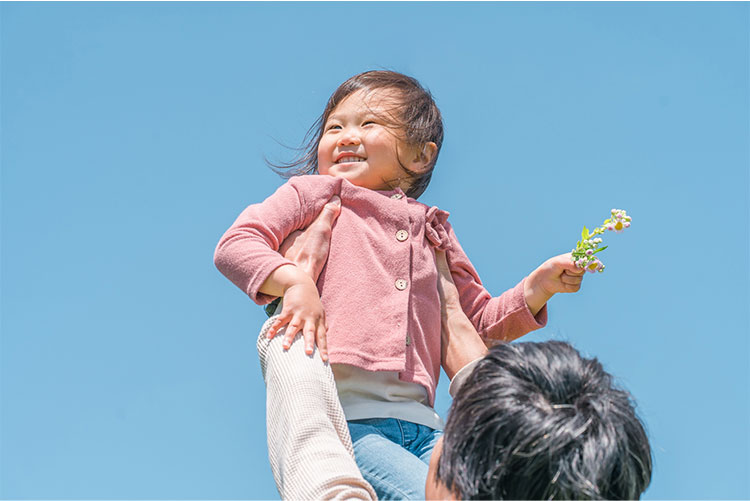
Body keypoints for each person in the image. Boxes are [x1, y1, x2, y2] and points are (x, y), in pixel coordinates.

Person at [214, 70, 585, 499]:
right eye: (335, 126)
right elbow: (236, 244)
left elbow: (474, 325)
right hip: (348, 420)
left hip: (427, 427)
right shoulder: (313, 193)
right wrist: (295, 282)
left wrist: (537, 288)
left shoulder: (434, 230)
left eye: (369, 124)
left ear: (421, 155)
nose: (346, 136)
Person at [258, 211, 652, 499]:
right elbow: (467, 326)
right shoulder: (320, 201)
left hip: (375, 421)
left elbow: (320, 473)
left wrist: (293, 294)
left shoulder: (430, 228)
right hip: (392, 422)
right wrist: (533, 290)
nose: (347, 137)